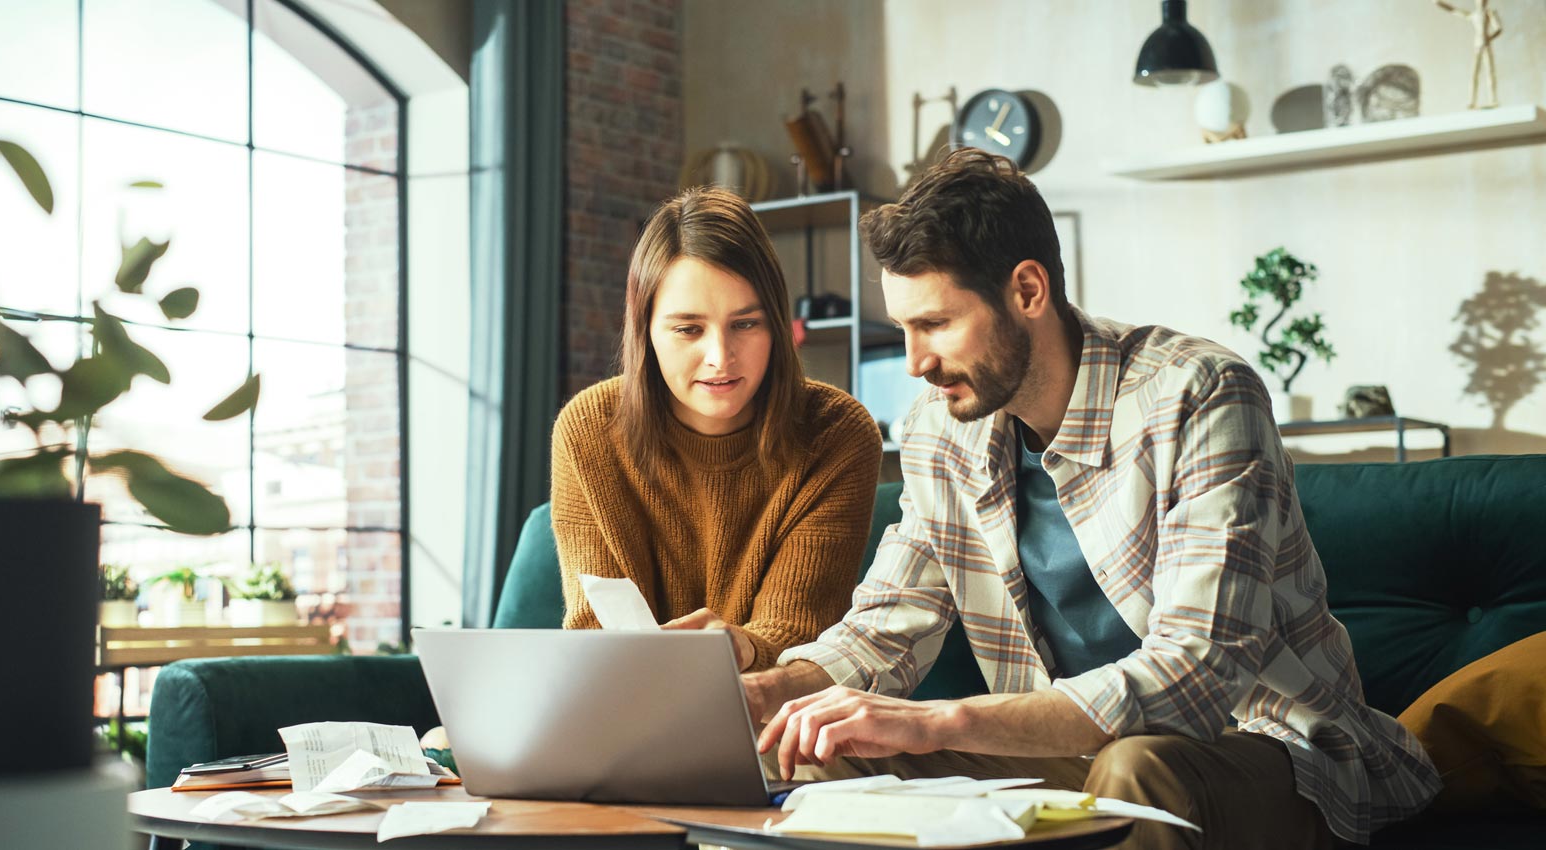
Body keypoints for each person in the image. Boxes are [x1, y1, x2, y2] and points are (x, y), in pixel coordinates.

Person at [744, 149, 1439, 849]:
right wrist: (769, 692)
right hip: (1062, 759)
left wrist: (943, 720)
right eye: (905, 330)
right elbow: (888, 623)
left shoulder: (1198, 394)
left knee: (1135, 769)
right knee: (808, 745)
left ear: (1026, 290)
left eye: (937, 324)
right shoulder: (939, 432)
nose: (917, 362)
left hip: (1265, 746)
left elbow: (1197, 673)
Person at [552, 186, 882, 671]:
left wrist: (743, 646)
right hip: (627, 706)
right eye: (688, 329)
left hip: (773, 715)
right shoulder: (589, 431)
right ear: (645, 331)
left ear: (777, 324)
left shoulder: (837, 433)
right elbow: (596, 631)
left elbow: (798, 631)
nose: (720, 357)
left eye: (746, 324)